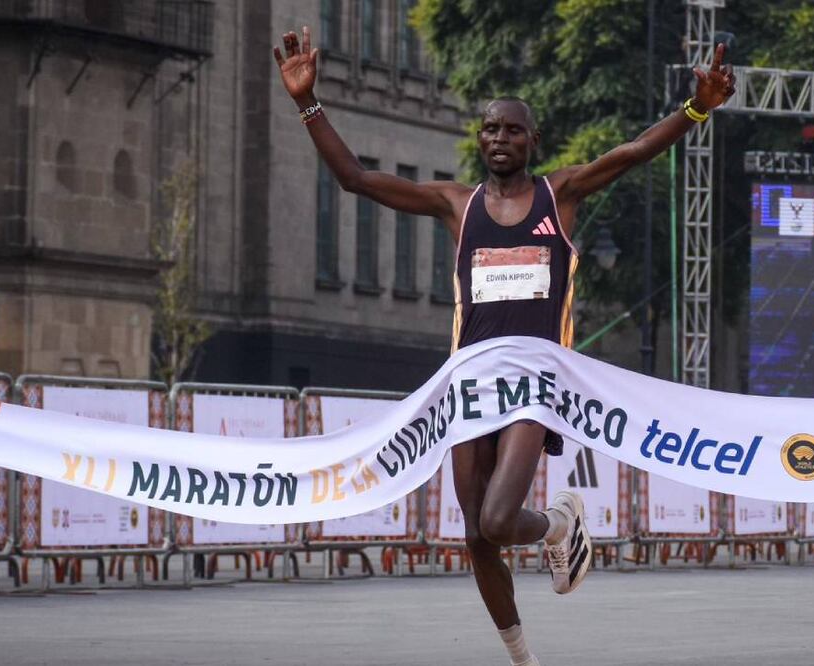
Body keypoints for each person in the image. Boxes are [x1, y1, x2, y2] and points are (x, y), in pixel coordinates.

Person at [274, 26, 735, 665]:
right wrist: (307, 102)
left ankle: (558, 522)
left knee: (497, 518)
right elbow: (354, 178)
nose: (499, 138)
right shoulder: (455, 205)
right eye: (491, 128)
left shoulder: (558, 195)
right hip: (468, 383)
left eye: (513, 130)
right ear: (480, 138)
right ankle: (523, 659)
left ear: (531, 141)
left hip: (534, 384)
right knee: (476, 536)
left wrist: (696, 108)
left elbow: (632, 152)